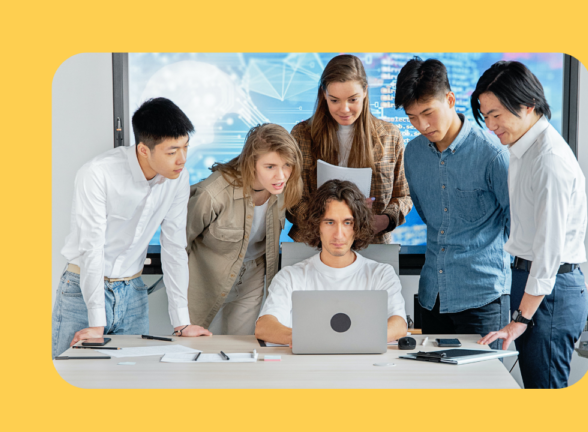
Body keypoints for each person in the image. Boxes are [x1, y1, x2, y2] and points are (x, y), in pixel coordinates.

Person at [52, 97, 211, 359]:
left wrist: (181, 322)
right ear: (143, 150)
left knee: (134, 381)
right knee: (75, 376)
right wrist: (96, 323)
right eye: (172, 152)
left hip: (133, 291)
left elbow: (173, 247)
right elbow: (91, 248)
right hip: (83, 290)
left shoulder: (177, 178)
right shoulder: (97, 174)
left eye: (185, 147)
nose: (182, 159)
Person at [472, 61, 588, 389]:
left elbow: (550, 251)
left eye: (497, 114)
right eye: (485, 116)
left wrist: (521, 319)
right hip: (538, 283)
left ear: (527, 105)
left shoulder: (548, 160)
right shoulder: (524, 149)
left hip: (548, 291)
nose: (491, 125)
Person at [394, 58, 511, 349]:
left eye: (427, 113)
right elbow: (426, 214)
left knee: (483, 389)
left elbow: (518, 225)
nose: (421, 125)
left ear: (450, 99)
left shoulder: (492, 154)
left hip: (483, 297)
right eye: (411, 117)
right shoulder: (413, 154)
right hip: (432, 295)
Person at [255, 180, 407, 345]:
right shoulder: (290, 276)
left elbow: (399, 324)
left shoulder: (382, 274)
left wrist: (347, 340)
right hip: (308, 367)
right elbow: (264, 327)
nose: (338, 234)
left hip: (364, 366)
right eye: (329, 222)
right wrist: (308, 339)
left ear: (358, 226)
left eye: (347, 222)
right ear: (316, 225)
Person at [186, 124, 303, 335]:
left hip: (253, 278)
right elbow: (178, 244)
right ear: (251, 163)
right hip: (206, 280)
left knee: (240, 348)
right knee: (193, 347)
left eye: (287, 165)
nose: (281, 175)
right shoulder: (212, 194)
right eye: (270, 166)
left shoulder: (285, 187)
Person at [287, 54, 412, 244]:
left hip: (372, 244)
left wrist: (384, 220)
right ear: (323, 95)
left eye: (352, 100)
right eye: (334, 100)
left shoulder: (390, 136)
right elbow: (291, 199)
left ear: (365, 92)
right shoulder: (301, 134)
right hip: (314, 244)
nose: (344, 109)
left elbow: (403, 196)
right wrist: (322, 219)